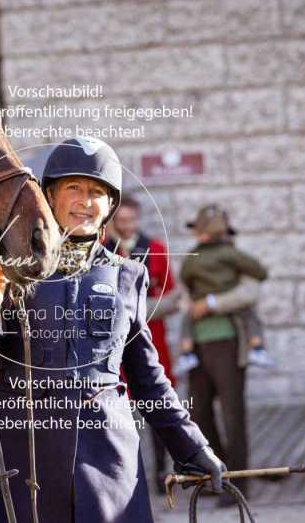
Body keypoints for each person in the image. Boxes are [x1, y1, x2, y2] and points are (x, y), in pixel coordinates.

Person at [0, 136, 226, 523]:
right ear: (50, 195)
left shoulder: (129, 276)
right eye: (73, 187)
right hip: (22, 456)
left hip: (106, 462)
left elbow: (148, 378)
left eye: (96, 192)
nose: (85, 201)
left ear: (110, 205)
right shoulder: (8, 268)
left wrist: (193, 448)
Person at [178, 204, 269, 503]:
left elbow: (256, 280)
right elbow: (186, 294)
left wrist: (211, 300)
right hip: (201, 343)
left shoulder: (213, 258)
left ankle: (236, 481)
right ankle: (215, 474)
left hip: (227, 341)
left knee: (228, 414)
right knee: (200, 412)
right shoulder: (223, 257)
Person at [104, 194, 178, 493]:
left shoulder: (156, 249)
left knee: (156, 403)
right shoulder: (101, 249)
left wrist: (135, 308)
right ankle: (125, 474)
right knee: (118, 411)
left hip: (152, 340)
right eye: (120, 221)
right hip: (112, 345)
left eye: (130, 220)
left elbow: (172, 297)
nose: (126, 225)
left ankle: (162, 472)